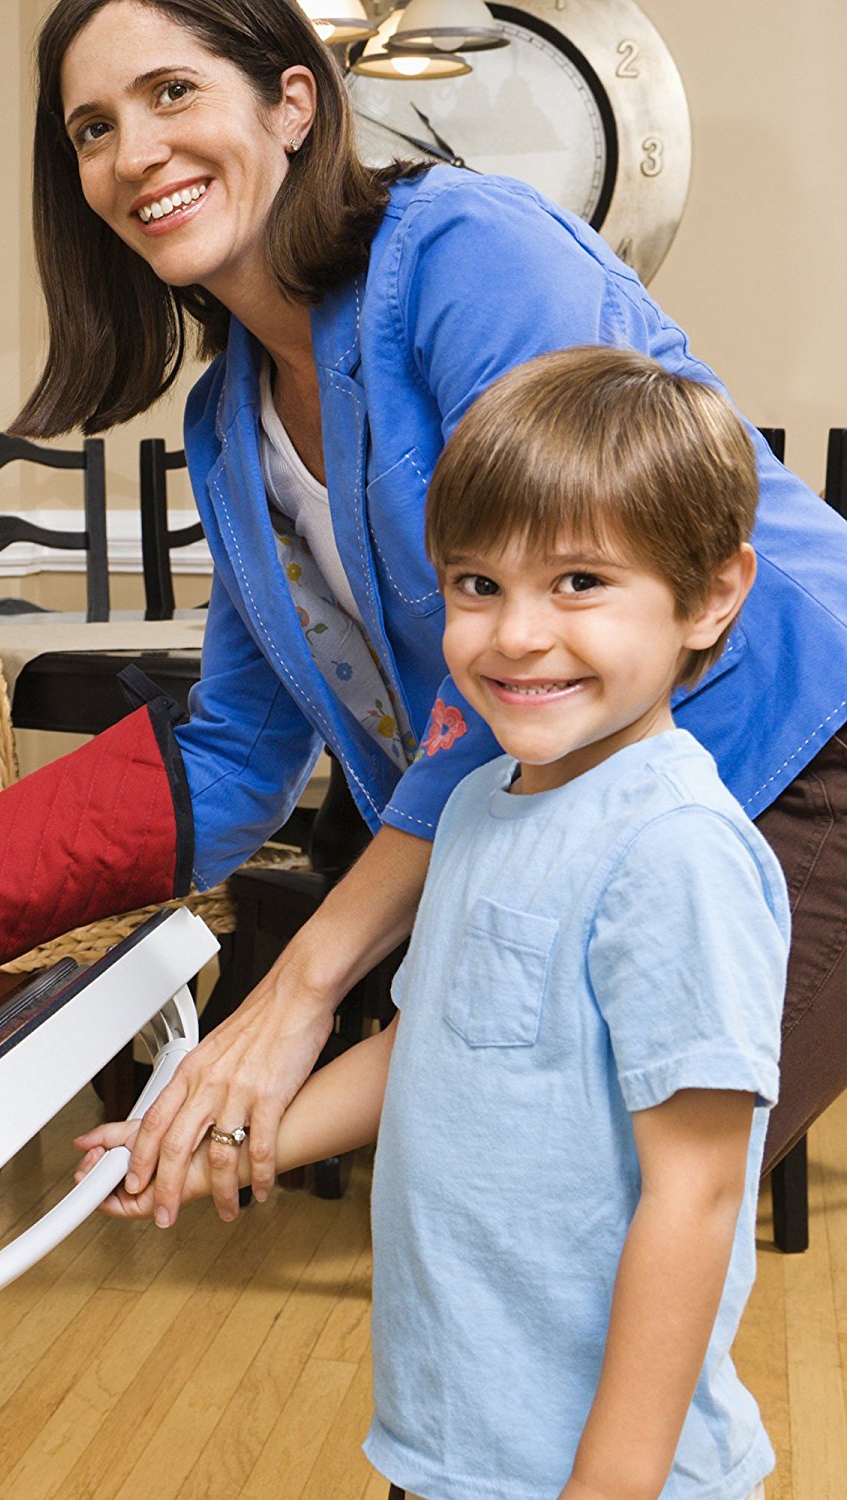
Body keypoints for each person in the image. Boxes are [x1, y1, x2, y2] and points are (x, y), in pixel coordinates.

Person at [0, 0, 847, 1231]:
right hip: (568, 814)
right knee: (499, 1227)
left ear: (293, 104)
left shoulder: (469, 256)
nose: (132, 155)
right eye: (91, 128)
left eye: (172, 94)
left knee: (601, 1223)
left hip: (795, 764)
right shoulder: (226, 425)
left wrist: (299, 987)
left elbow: (544, 645)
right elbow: (232, 755)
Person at [75, 345, 783, 1500]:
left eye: (581, 584)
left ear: (709, 595)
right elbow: (426, 1053)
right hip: (452, 1442)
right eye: (477, 585)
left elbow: (696, 1196)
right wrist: (232, 1148)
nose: (516, 634)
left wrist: (610, 1484)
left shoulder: (674, 852)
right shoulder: (472, 807)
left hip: (610, 1474)